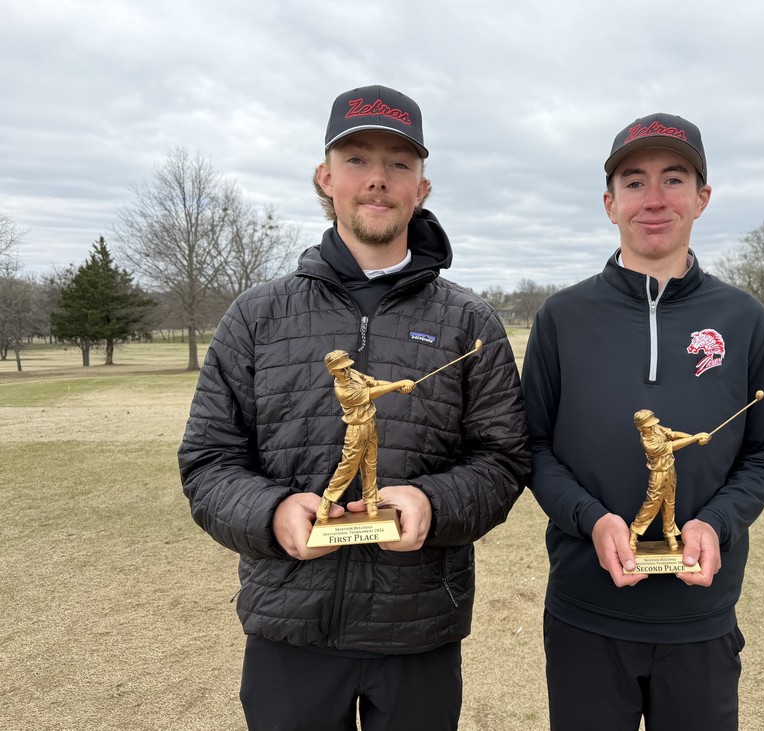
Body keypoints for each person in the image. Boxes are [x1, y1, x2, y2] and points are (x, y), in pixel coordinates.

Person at [180, 84, 529, 731]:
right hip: (290, 631)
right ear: (326, 177)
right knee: (353, 471)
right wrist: (273, 512)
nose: (378, 179)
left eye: (399, 163)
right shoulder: (258, 316)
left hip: (418, 629)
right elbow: (208, 462)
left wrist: (433, 503)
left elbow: (504, 461)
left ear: (421, 186)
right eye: (358, 159)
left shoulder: (468, 322)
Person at [522, 112, 764, 731]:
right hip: (584, 611)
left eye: (673, 179)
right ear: (609, 202)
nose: (653, 198)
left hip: (701, 617)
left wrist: (719, 523)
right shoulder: (562, 318)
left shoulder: (745, 317)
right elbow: (533, 446)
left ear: (702, 198)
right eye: (634, 181)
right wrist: (592, 521)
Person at [316, 350, 415, 524]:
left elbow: (374, 383)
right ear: (332, 372)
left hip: (371, 424)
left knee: (370, 465)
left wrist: (398, 388)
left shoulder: (353, 373)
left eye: (347, 367)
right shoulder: (342, 391)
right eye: (341, 370)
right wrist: (398, 383)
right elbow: (371, 394)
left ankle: (370, 502)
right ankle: (327, 500)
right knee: (348, 467)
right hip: (356, 430)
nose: (346, 372)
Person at [628, 409, 710, 553]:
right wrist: (694, 438)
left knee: (669, 503)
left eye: (653, 423)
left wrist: (695, 438)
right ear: (639, 428)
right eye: (648, 425)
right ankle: (634, 532)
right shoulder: (648, 443)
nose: (652, 427)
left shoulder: (656, 428)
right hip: (658, 475)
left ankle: (669, 534)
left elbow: (672, 435)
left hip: (670, 471)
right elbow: (672, 446)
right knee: (651, 505)